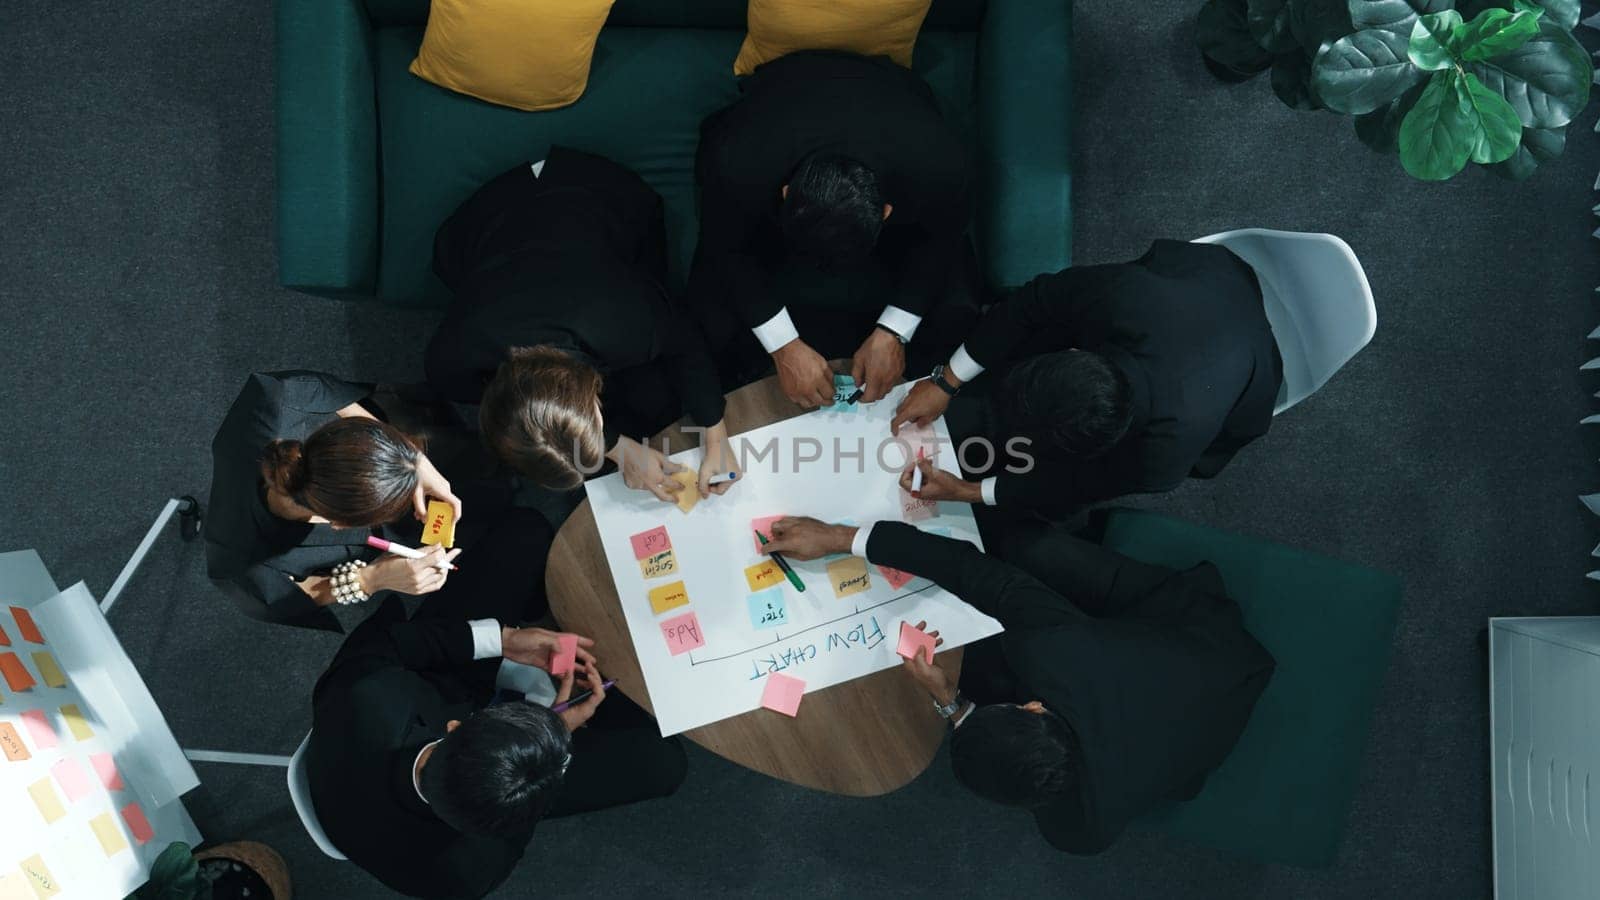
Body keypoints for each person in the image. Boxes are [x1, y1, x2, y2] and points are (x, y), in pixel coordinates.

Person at [760, 515, 1274, 855]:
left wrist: (953, 703)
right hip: (1209, 652)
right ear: (1032, 707)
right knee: (1033, 551)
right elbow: (978, 572)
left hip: (1203, 691)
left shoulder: (1081, 828)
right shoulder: (1078, 825)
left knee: (988, 657)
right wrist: (840, 538)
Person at [307, 510, 687, 899]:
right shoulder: (465, 873)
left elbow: (397, 640)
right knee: (666, 765)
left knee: (527, 533)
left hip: (436, 677)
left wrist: (503, 640)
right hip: (476, 768)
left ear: (456, 726)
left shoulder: (365, 695)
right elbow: (517, 830)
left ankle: (538, 614)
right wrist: (558, 736)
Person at [426, 147, 740, 504]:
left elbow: (682, 337)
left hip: (590, 191)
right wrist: (620, 449)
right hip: (491, 225)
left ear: (591, 389)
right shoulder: (448, 363)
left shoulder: (621, 321)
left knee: (651, 388)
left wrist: (717, 437)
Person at [891, 239, 1282, 517]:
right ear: (1073, 351)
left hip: (1253, 369)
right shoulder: (1122, 296)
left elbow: (1080, 484)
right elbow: (1033, 302)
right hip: (1209, 278)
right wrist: (947, 381)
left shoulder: (1162, 456)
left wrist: (970, 492)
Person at [689, 50, 978, 408]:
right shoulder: (735, 160)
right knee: (707, 308)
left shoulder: (942, 166)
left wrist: (894, 330)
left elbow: (941, 239)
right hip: (780, 92)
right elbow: (724, 244)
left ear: (887, 212)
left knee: (957, 305)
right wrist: (782, 344)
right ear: (784, 194)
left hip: (894, 96)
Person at [205, 371, 468, 630]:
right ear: (341, 525)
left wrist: (411, 460)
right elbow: (283, 601)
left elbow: (340, 401)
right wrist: (371, 579)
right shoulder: (244, 566)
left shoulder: (280, 397)